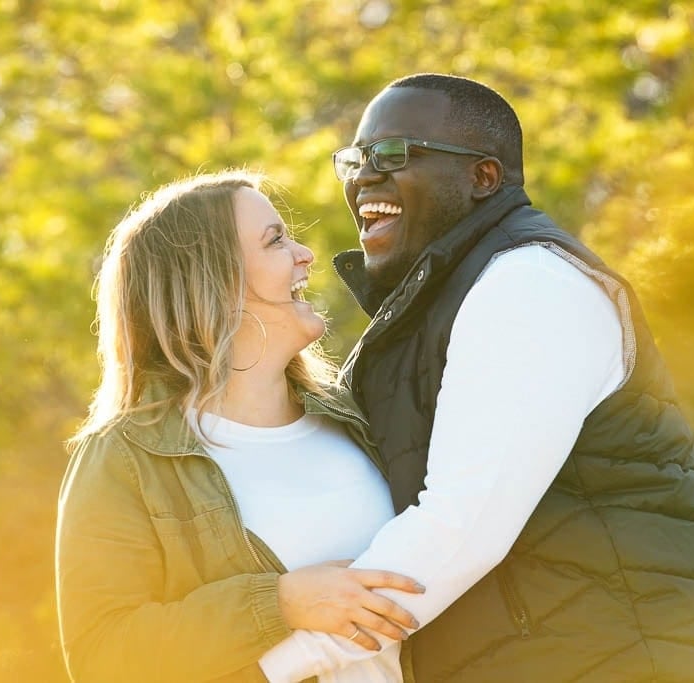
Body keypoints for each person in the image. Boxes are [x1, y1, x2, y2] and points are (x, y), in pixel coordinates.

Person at [259, 75, 694, 682]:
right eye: (354, 160)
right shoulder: (437, 307)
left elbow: (462, 524)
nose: (363, 176)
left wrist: (271, 667)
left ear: (483, 179)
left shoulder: (531, 285)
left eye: (391, 155)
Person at [54, 170, 426, 683]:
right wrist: (278, 603)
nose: (305, 255)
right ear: (212, 283)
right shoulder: (124, 458)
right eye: (276, 241)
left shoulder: (359, 416)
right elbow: (103, 657)